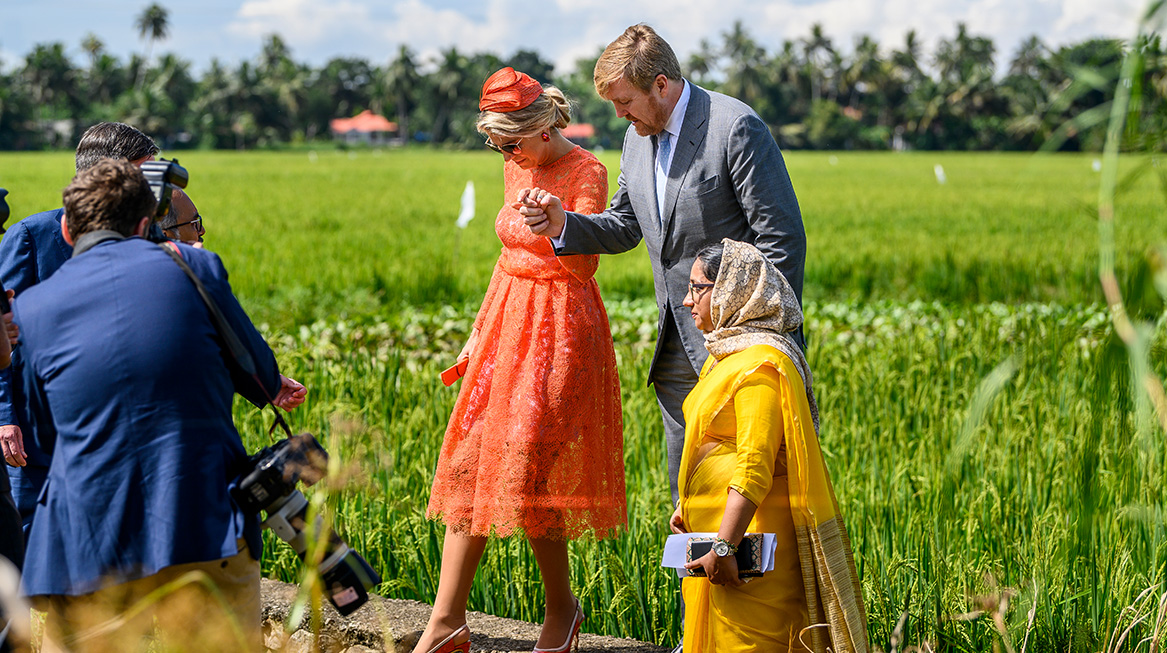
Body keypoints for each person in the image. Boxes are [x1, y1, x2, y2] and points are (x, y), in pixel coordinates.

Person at [13, 159, 305, 651]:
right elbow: (259, 371)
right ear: (147, 223)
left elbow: (42, 431)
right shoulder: (195, 266)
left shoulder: (31, 309)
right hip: (201, 520)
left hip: (84, 541)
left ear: (65, 229)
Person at [517, 24, 806, 508]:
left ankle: (752, 583)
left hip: (740, 346)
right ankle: (692, 586)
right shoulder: (637, 140)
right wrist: (563, 223)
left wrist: (754, 336)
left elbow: (781, 239)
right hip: (675, 346)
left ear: (660, 85)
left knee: (753, 487)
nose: (619, 114)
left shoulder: (733, 127)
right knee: (688, 494)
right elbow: (627, 224)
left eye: (625, 101)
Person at [414, 68, 625, 653]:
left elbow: (583, 270)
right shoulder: (516, 165)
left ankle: (562, 611)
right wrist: (477, 333)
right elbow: (504, 261)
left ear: (541, 127)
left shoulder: (587, 171)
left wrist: (557, 224)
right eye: (496, 144)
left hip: (561, 331)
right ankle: (445, 620)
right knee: (470, 461)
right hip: (508, 323)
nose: (503, 153)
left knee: (530, 470)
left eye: (509, 141)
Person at [670, 240, 866, 653]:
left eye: (697, 288)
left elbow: (754, 465)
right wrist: (687, 507)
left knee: (752, 642)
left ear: (730, 291)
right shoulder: (725, 355)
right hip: (717, 539)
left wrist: (725, 544)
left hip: (750, 548)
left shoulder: (760, 365)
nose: (687, 301)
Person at [0, 122, 159, 539]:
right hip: (36, 436)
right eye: (144, 177)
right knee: (32, 548)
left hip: (111, 430)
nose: (151, 193)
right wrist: (4, 417)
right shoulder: (33, 238)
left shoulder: (144, 241)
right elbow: (4, 335)